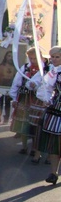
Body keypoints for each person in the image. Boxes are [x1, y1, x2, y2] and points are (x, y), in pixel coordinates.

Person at [8, 47, 45, 160]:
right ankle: (24, 146)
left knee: (35, 125)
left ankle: (35, 148)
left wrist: (37, 86)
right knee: (23, 124)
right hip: (24, 98)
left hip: (38, 99)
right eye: (31, 58)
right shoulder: (24, 68)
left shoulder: (46, 68)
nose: (32, 60)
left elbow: (48, 85)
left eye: (34, 58)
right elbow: (16, 83)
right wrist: (14, 98)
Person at [35, 47, 61, 183]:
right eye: (53, 57)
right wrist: (47, 99)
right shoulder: (53, 72)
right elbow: (46, 87)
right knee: (54, 143)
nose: (54, 59)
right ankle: (54, 173)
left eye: (57, 57)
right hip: (56, 109)